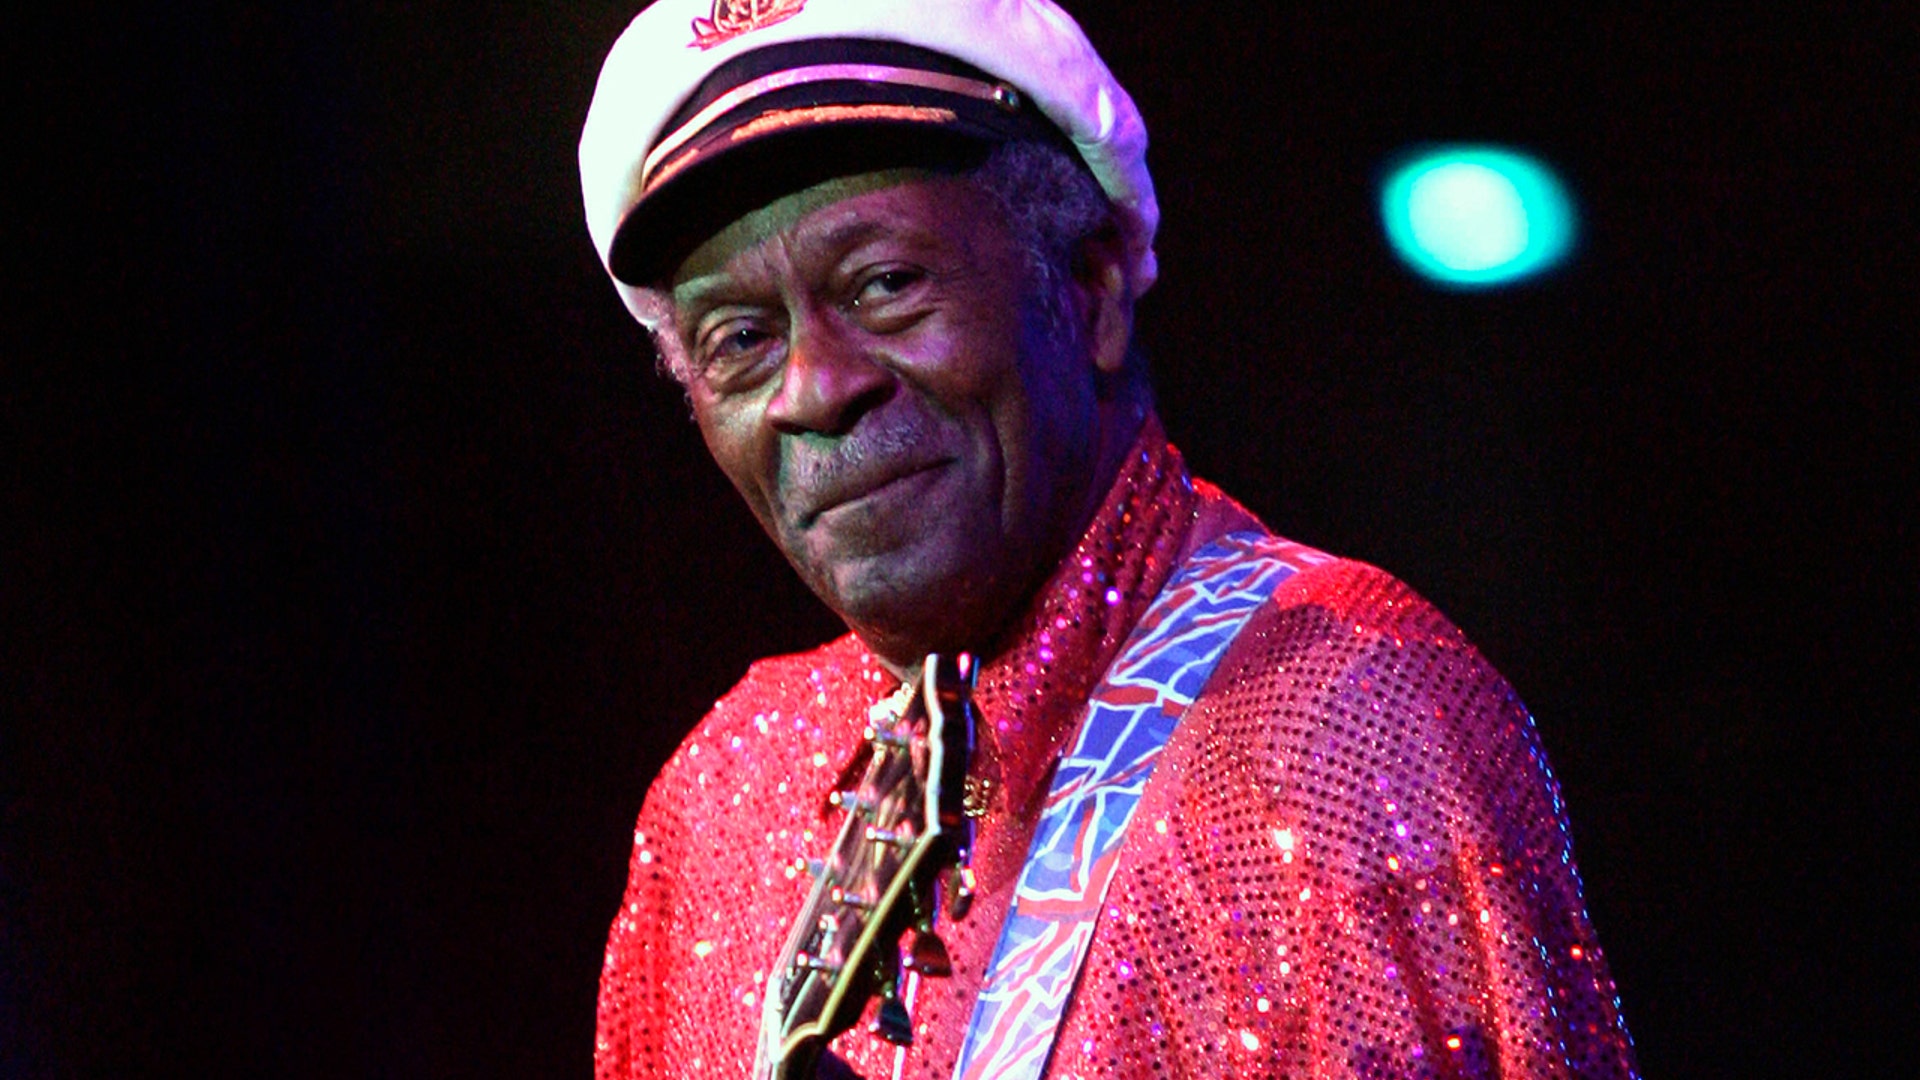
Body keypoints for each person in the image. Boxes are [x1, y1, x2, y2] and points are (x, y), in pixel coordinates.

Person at [578, 1, 1637, 1077]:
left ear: (1087, 290)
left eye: (886, 285)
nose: (815, 388)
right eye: (742, 340)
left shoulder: (1346, 721)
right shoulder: (719, 806)